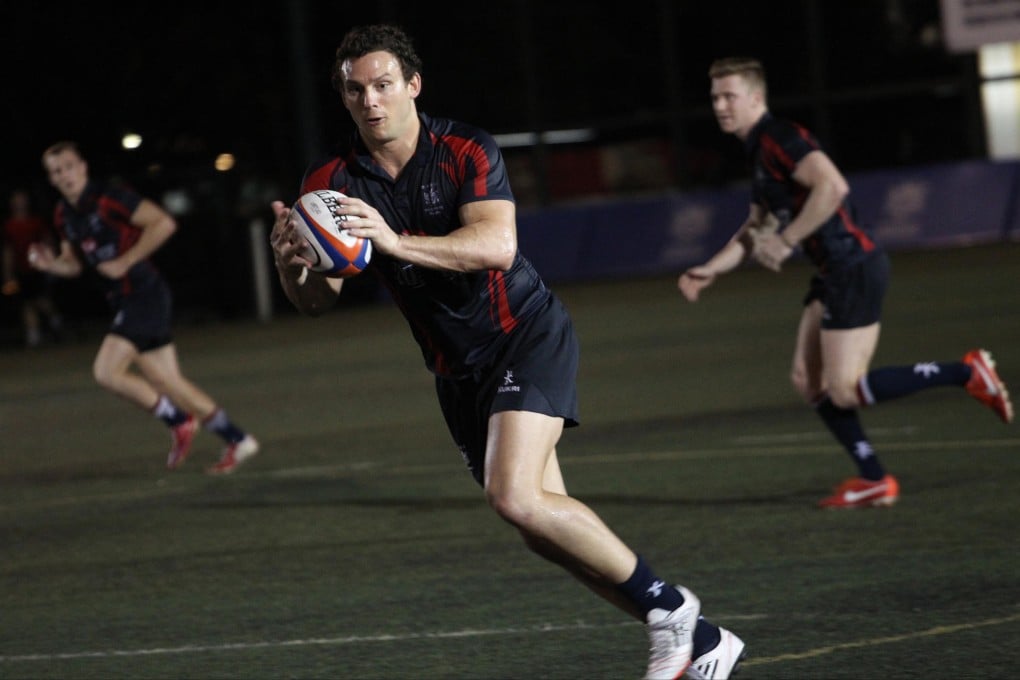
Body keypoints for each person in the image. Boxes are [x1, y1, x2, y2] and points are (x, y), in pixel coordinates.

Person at [269, 24, 745, 680]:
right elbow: (318, 301)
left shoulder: (465, 150)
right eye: (355, 91)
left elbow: (496, 246)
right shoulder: (329, 181)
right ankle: (709, 640)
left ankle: (671, 609)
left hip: (524, 334)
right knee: (540, 526)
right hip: (454, 371)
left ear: (413, 85)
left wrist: (396, 241)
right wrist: (292, 267)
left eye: (383, 85)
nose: (370, 101)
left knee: (515, 498)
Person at [679, 57, 1013, 509]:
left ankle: (966, 372)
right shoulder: (757, 150)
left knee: (843, 389)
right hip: (833, 271)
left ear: (756, 98)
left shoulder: (781, 137)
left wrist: (788, 239)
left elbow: (832, 187)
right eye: (715, 96)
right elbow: (756, 224)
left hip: (852, 266)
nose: (720, 105)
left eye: (729, 95)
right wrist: (711, 268)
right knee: (807, 379)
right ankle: (874, 478)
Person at [31, 141, 259, 474]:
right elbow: (74, 263)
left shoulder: (109, 197)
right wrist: (50, 264)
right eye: (55, 171)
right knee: (169, 382)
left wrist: (126, 260)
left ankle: (179, 420)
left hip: (143, 293)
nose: (63, 175)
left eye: (67, 167)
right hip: (124, 299)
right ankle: (238, 439)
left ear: (82, 166)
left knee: (106, 372)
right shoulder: (64, 214)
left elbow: (163, 222)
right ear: (51, 179)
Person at [2, 188, 65, 347]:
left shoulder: (36, 221)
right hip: (21, 269)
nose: (19, 202)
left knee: (41, 300)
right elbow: (7, 251)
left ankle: (55, 320)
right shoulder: (8, 225)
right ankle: (33, 335)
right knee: (26, 303)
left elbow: (48, 241)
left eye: (22, 199)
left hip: (38, 268)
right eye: (16, 199)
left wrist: (53, 262)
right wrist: (8, 274)